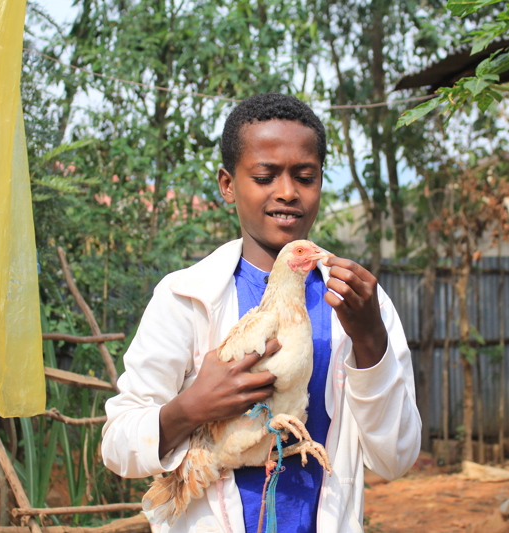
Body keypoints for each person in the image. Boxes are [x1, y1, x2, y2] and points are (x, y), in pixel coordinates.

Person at [101, 93, 421, 533]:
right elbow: (117, 444)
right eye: (265, 175)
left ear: (321, 183)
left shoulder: (363, 304)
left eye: (305, 176)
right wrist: (191, 407)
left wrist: (370, 339)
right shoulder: (184, 297)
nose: (287, 192)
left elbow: (397, 457)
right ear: (228, 184)